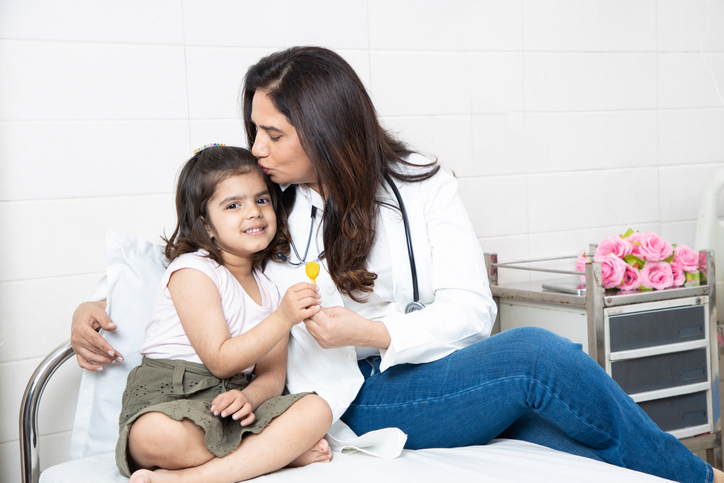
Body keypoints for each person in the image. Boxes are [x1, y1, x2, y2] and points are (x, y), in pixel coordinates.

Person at [71, 47, 723, 483]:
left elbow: (473, 308)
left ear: (323, 128)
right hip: (341, 396)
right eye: (254, 131)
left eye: (273, 133)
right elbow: (188, 254)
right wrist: (93, 308)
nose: (256, 148)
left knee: (534, 392)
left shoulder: (422, 185)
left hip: (415, 368)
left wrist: (371, 332)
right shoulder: (266, 204)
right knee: (535, 365)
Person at [114, 145, 332, 483]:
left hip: (232, 406)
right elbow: (219, 360)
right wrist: (284, 318)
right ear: (206, 225)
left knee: (317, 410)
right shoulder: (193, 271)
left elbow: (272, 377)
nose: (254, 213)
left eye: (262, 200)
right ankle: (273, 454)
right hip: (173, 396)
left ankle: (197, 476)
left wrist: (247, 398)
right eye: (233, 205)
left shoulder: (272, 288)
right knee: (152, 436)